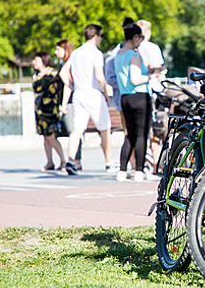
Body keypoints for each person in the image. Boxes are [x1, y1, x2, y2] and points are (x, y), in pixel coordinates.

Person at [62, 23, 117, 175]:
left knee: (77, 129)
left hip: (79, 93)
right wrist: (105, 92)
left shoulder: (76, 53)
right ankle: (109, 162)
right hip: (93, 93)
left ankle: (71, 160)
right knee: (105, 129)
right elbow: (99, 77)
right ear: (96, 36)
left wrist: (71, 85)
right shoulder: (96, 53)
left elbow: (64, 73)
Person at [114, 17, 161, 182]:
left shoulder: (118, 54)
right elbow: (135, 79)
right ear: (135, 38)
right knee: (141, 135)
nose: (141, 42)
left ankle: (122, 170)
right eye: (140, 38)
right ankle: (139, 171)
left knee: (130, 135)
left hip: (125, 97)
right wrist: (152, 76)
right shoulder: (133, 55)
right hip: (140, 97)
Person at [136, 19, 166, 175]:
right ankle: (156, 163)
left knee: (139, 130)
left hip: (135, 92)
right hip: (153, 90)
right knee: (156, 129)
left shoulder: (131, 48)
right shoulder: (152, 48)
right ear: (148, 32)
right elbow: (159, 71)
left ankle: (137, 166)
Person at [32, 51, 67, 172]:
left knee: (51, 136)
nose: (34, 63)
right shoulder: (36, 75)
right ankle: (49, 162)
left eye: (36, 60)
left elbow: (60, 88)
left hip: (50, 109)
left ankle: (63, 160)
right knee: (45, 137)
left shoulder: (52, 74)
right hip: (40, 110)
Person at [56, 39, 82, 171]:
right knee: (75, 131)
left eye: (58, 49)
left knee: (74, 131)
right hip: (71, 100)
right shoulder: (69, 63)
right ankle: (75, 160)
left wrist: (64, 104)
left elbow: (68, 85)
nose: (56, 53)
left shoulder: (70, 64)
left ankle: (75, 160)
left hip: (72, 101)